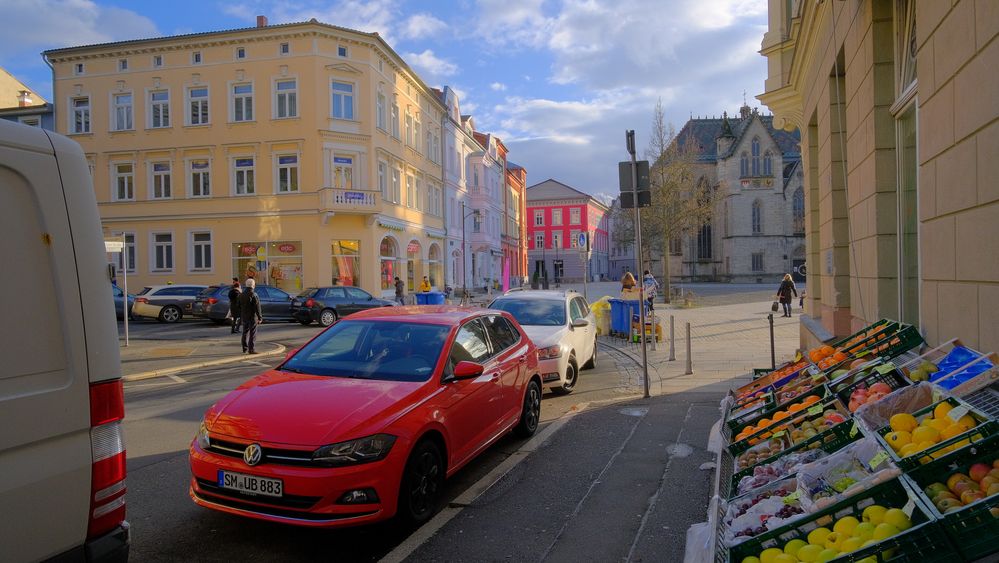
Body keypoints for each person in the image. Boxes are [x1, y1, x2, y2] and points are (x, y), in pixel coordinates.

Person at [238, 278, 263, 353]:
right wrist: (260, 317)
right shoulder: (254, 294)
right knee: (253, 333)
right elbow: (257, 307)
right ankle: (251, 349)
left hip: (244, 316)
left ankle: (244, 348)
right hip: (252, 316)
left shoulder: (241, 295)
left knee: (245, 332)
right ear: (253, 285)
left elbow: (238, 305)